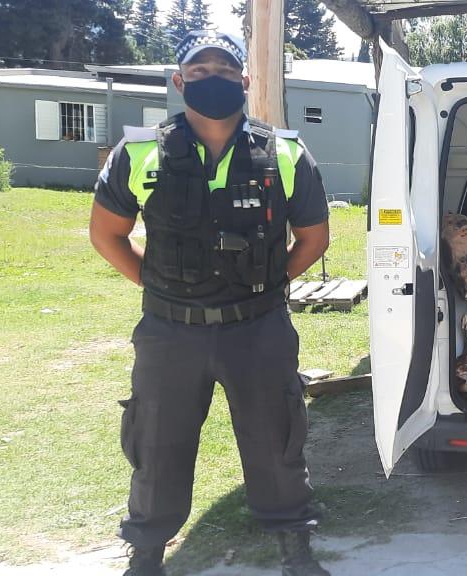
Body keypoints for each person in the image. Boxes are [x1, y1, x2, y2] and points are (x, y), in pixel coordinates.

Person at [88, 30, 332, 576]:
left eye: (224, 71)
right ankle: (147, 552)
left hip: (258, 329)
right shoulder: (141, 151)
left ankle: (294, 546)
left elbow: (313, 240)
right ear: (179, 82)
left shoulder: (286, 154)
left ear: (245, 81)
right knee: (157, 441)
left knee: (278, 439)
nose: (212, 80)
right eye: (199, 72)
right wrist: (158, 287)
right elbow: (107, 235)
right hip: (170, 332)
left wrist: (267, 286)